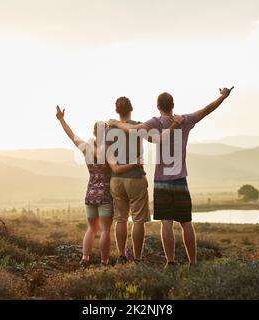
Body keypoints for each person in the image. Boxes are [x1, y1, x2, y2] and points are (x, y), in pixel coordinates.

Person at [108, 87, 234, 267]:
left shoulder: (155, 122)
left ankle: (171, 262)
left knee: (166, 223)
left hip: (161, 180)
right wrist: (222, 96)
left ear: (158, 106)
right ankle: (193, 262)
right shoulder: (185, 120)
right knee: (186, 223)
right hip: (180, 179)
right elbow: (207, 110)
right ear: (173, 105)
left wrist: (116, 123)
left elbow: (134, 129)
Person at [55, 106, 140, 267]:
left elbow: (72, 135)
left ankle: (85, 259)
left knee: (91, 229)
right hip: (105, 195)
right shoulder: (109, 150)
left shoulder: (86, 148)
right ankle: (104, 262)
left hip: (90, 193)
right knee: (106, 230)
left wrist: (61, 119)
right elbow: (118, 166)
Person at [106, 97, 150, 264]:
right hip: (135, 177)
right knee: (138, 220)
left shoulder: (109, 130)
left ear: (117, 111)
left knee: (120, 219)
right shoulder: (137, 125)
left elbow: (108, 156)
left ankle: (122, 256)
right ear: (131, 108)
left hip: (116, 180)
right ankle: (137, 258)